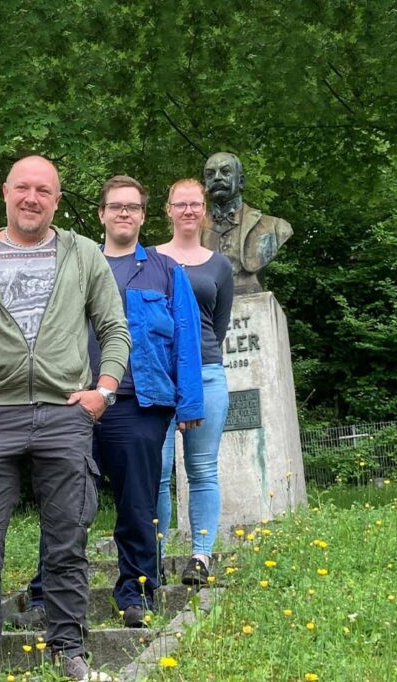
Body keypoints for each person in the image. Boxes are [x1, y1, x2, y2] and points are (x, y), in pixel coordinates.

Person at [0, 156, 131, 682]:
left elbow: (115, 329)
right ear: (5, 192)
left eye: (43, 190)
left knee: (67, 535)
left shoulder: (83, 253)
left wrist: (104, 391)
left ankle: (68, 646)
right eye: (22, 187)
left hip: (65, 411)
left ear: (57, 198)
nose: (32, 197)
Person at [16, 175, 204, 629]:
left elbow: (187, 338)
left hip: (139, 403)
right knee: (63, 504)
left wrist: (190, 404)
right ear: (100, 214)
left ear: (143, 215)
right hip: (72, 401)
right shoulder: (74, 266)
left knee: (138, 503)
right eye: (115, 206)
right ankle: (45, 596)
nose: (124, 213)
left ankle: (137, 592)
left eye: (133, 207)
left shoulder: (165, 271)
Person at [155, 179, 235, 585]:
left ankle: (201, 557)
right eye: (180, 204)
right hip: (158, 377)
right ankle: (152, 556)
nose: (188, 211)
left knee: (202, 469)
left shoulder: (220, 265)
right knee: (157, 471)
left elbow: (216, 326)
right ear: (167, 210)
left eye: (195, 204)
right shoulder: (150, 259)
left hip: (205, 373)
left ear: (204, 211)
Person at [201, 151, 292, 295]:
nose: (217, 178)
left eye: (225, 172)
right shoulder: (195, 230)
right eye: (210, 174)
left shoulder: (274, 226)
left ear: (241, 181)